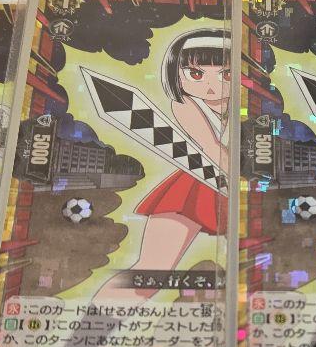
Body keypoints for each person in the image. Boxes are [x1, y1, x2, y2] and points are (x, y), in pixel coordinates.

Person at [95, 28, 230, 303]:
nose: (212, 85)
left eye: (226, 74)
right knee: (151, 272)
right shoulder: (186, 105)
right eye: (196, 74)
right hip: (197, 183)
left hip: (237, 185)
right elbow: (211, 146)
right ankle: (94, 323)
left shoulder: (246, 105)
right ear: (176, 73)